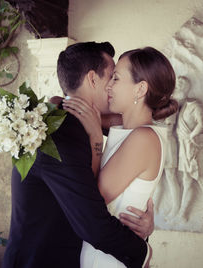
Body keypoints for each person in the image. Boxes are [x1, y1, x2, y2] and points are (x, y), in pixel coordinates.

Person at [3, 42, 154, 268]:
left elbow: (138, 116)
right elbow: (92, 224)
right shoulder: (59, 134)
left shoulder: (64, 120)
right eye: (112, 77)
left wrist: (143, 224)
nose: (114, 86)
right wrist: (143, 252)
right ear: (92, 79)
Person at [63, 47, 178, 267]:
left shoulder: (144, 138)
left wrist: (96, 137)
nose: (108, 85)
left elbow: (94, 198)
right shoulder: (124, 125)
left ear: (140, 89)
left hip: (109, 260)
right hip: (97, 253)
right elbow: (69, 104)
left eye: (116, 78)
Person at [174, 76, 203, 227]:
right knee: (187, 181)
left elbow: (201, 124)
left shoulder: (196, 106)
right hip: (186, 149)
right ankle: (182, 214)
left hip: (197, 149)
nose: (177, 88)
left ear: (187, 88)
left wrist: (192, 135)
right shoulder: (182, 106)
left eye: (180, 85)